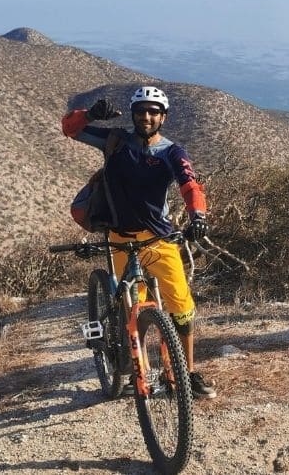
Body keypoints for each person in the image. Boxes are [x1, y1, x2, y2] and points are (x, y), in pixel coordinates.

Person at [62, 85, 216, 399]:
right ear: (133, 114)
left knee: (181, 308)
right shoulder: (115, 141)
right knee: (133, 308)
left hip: (158, 239)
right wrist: (89, 115)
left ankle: (186, 374)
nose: (146, 117)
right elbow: (70, 129)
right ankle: (138, 369)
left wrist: (197, 215)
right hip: (119, 238)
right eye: (141, 111)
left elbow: (190, 185)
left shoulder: (172, 152)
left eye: (153, 112)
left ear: (163, 117)